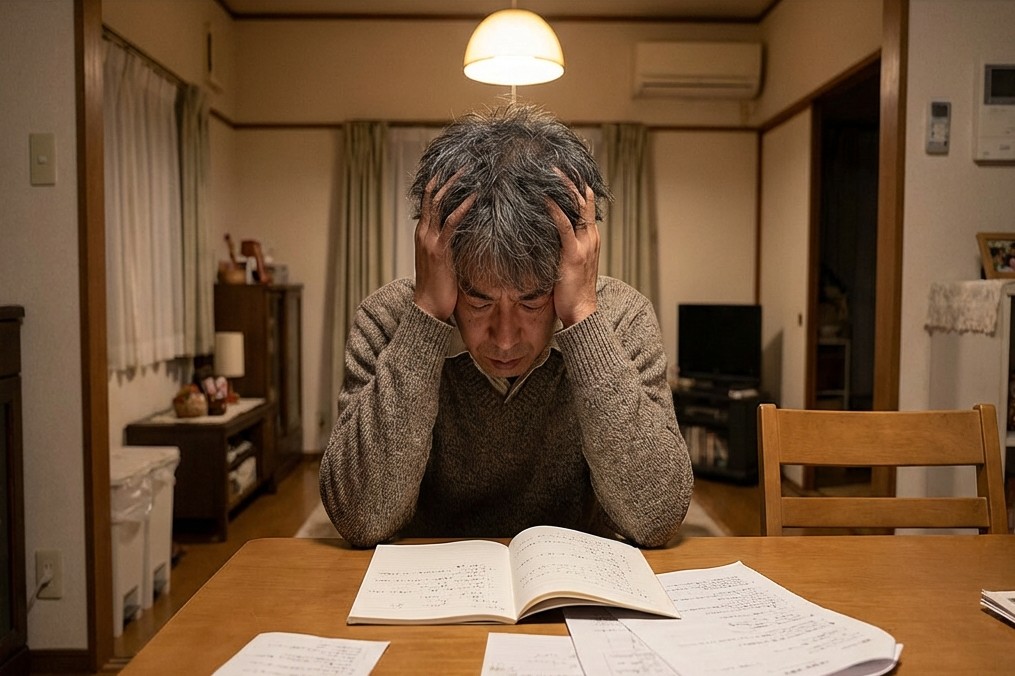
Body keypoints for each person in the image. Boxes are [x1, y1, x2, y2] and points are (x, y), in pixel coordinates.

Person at [320, 103, 693, 548]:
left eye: (532, 300)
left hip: (576, 585)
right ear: (438, 260)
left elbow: (657, 517)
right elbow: (360, 518)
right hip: (429, 591)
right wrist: (425, 318)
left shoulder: (621, 318)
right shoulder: (386, 320)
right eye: (478, 299)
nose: (505, 337)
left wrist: (583, 320)